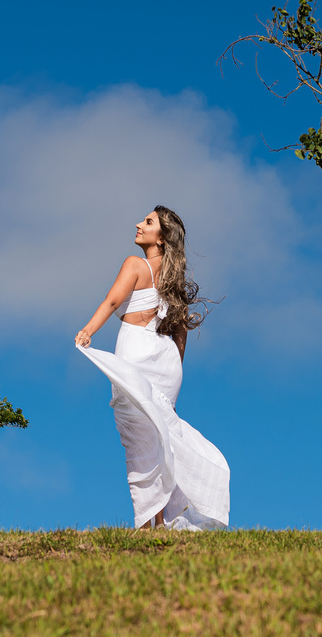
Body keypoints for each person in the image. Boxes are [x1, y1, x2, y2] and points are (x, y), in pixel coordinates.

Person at [74, 206, 230, 531]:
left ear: (161, 238)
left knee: (140, 439)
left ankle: (148, 525)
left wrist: (88, 331)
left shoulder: (135, 265)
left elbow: (112, 301)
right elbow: (181, 335)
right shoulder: (176, 282)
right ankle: (156, 521)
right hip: (167, 361)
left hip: (137, 352)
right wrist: (175, 377)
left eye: (147, 222)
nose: (138, 224)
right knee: (160, 439)